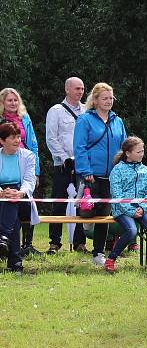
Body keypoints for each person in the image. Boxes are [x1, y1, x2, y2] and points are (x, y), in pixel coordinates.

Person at [73, 82, 128, 267]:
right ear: (95, 100)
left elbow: (124, 148)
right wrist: (85, 171)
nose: (109, 101)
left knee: (104, 216)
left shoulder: (117, 121)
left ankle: (98, 253)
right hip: (90, 176)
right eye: (104, 98)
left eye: (111, 98)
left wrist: (122, 170)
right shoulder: (85, 120)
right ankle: (84, 230)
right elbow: (79, 147)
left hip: (111, 176)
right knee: (87, 213)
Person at [105, 136, 147, 272]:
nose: (142, 154)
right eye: (138, 152)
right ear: (128, 153)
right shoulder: (117, 171)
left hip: (142, 209)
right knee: (131, 231)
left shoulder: (144, 169)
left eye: (142, 151)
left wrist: (143, 208)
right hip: (122, 210)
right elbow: (117, 196)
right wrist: (130, 211)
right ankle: (111, 259)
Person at [45, 77, 87, 254]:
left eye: (83, 89)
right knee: (59, 202)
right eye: (77, 88)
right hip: (62, 164)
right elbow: (51, 138)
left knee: (81, 203)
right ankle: (54, 242)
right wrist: (64, 158)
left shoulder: (87, 111)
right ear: (67, 89)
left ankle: (80, 242)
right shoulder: (56, 111)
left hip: (82, 164)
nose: (80, 92)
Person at [0, 87, 41, 257]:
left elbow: (33, 144)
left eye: (15, 100)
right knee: (11, 205)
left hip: (22, 174)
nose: (13, 103)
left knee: (14, 201)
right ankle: (15, 260)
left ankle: (5, 239)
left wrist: (35, 172)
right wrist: (3, 192)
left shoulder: (25, 119)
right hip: (3, 177)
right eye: (9, 100)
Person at [0, 122, 39, 274]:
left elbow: (30, 181)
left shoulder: (28, 155)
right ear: (2, 141)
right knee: (13, 219)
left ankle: (3, 236)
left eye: (18, 137)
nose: (17, 140)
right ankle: (16, 264)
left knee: (12, 203)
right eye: (12, 137)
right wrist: (1, 192)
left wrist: (20, 193)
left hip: (22, 198)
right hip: (2, 198)